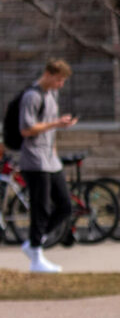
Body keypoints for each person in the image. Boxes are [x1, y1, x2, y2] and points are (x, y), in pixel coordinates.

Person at [19, 59, 77, 273]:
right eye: (59, 79)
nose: (61, 84)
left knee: (65, 205)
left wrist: (56, 151)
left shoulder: (52, 95)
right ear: (49, 74)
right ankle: (36, 256)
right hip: (34, 160)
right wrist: (56, 123)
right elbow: (26, 129)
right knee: (40, 207)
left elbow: (50, 132)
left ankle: (34, 243)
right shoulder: (32, 96)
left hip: (50, 160)